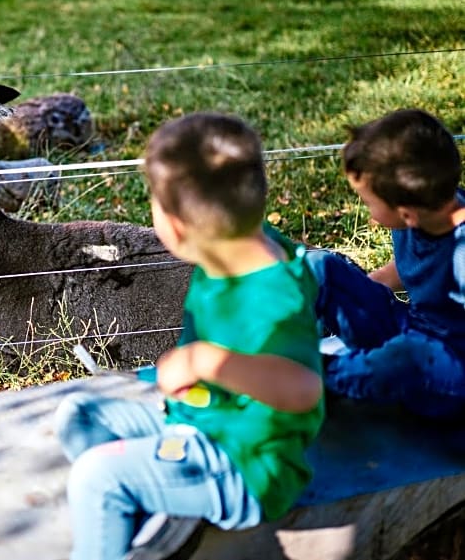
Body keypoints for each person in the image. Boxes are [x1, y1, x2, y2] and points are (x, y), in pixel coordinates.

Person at [54, 112, 325, 560]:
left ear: (176, 227)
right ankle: (162, 509)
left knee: (95, 477)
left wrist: (204, 361)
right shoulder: (237, 242)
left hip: (245, 464)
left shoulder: (272, 298)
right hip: (198, 422)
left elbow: (302, 388)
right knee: (79, 415)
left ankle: (128, 521)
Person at [305, 108, 465, 418]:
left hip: (449, 368)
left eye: (368, 202)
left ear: (406, 214)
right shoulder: (429, 208)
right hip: (414, 328)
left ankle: (310, 380)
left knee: (401, 361)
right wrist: (356, 290)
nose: (368, 212)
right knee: (320, 268)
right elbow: (414, 267)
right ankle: (271, 334)